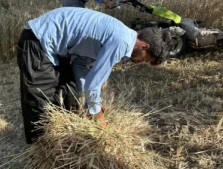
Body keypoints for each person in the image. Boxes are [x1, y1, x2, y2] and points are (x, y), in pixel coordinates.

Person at [17, 7, 172, 144]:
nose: (139, 62)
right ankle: (43, 149)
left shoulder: (120, 34)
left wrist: (90, 103)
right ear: (144, 46)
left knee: (68, 93)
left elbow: (81, 64)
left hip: (56, 46)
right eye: (144, 59)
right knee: (42, 99)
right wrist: (98, 115)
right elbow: (94, 84)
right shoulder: (121, 41)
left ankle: (62, 142)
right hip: (38, 39)